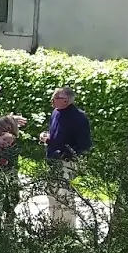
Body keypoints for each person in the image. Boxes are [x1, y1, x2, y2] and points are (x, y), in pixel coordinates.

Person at [40, 86, 93, 228]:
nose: (52, 101)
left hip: (66, 162)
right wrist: (47, 137)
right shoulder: (55, 113)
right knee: (51, 194)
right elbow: (56, 134)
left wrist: (68, 155)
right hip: (52, 160)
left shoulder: (79, 117)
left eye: (56, 98)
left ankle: (67, 228)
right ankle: (54, 225)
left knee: (65, 197)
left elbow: (84, 144)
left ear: (66, 101)